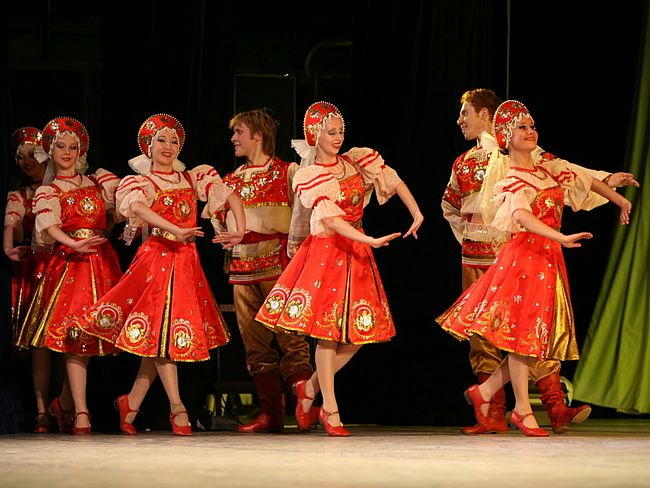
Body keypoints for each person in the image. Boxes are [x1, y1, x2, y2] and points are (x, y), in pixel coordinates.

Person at [442, 89, 640, 434]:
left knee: (534, 329)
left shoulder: (532, 155)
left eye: (466, 113)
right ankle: (492, 411)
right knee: (489, 334)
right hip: (486, 252)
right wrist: (472, 236)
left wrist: (609, 182)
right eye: (522, 127)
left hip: (528, 250)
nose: (461, 120)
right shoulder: (465, 162)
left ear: (488, 115)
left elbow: (571, 173)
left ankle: (551, 404)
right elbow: (452, 207)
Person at [256, 101, 424, 436]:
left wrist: (417, 213)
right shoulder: (310, 175)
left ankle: (311, 388)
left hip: (357, 251)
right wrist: (370, 240)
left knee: (362, 332)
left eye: (340, 131)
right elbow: (331, 219)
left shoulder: (357, 160)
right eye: (330, 132)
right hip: (328, 252)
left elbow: (392, 179)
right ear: (314, 135)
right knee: (329, 331)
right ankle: (330, 410)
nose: (337, 137)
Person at [78, 113, 244, 436]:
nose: (168, 147)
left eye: (174, 141)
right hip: (157, 260)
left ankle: (132, 402)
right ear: (148, 147)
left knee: (162, 337)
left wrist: (240, 230)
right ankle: (177, 406)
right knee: (163, 339)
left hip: (185, 264)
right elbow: (138, 209)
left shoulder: (192, 178)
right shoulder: (140, 182)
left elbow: (228, 195)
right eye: (161, 140)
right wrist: (175, 229)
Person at [211, 109, 313, 433]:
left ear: (257, 135)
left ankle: (305, 409)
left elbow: (308, 212)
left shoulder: (288, 172)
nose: (233, 139)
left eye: (239, 132)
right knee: (254, 345)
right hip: (242, 268)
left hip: (278, 266)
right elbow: (215, 217)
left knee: (291, 339)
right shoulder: (230, 180)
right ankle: (270, 414)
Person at [20, 117, 122, 434]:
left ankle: (63, 401)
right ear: (50, 151)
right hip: (71, 264)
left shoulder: (96, 182)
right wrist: (74, 242)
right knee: (76, 335)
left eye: (73, 146)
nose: (67, 152)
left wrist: (114, 219)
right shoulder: (50, 190)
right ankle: (80, 411)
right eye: (61, 146)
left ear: (81, 150)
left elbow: (114, 213)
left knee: (92, 338)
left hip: (101, 263)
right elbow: (47, 226)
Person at [4, 127, 59, 432]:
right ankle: (41, 410)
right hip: (36, 271)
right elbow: (11, 225)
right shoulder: (20, 196)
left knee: (69, 341)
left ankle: (68, 405)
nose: (26, 161)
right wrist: (9, 247)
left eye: (32, 154)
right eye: (20, 157)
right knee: (39, 342)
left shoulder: (66, 187)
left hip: (67, 266)